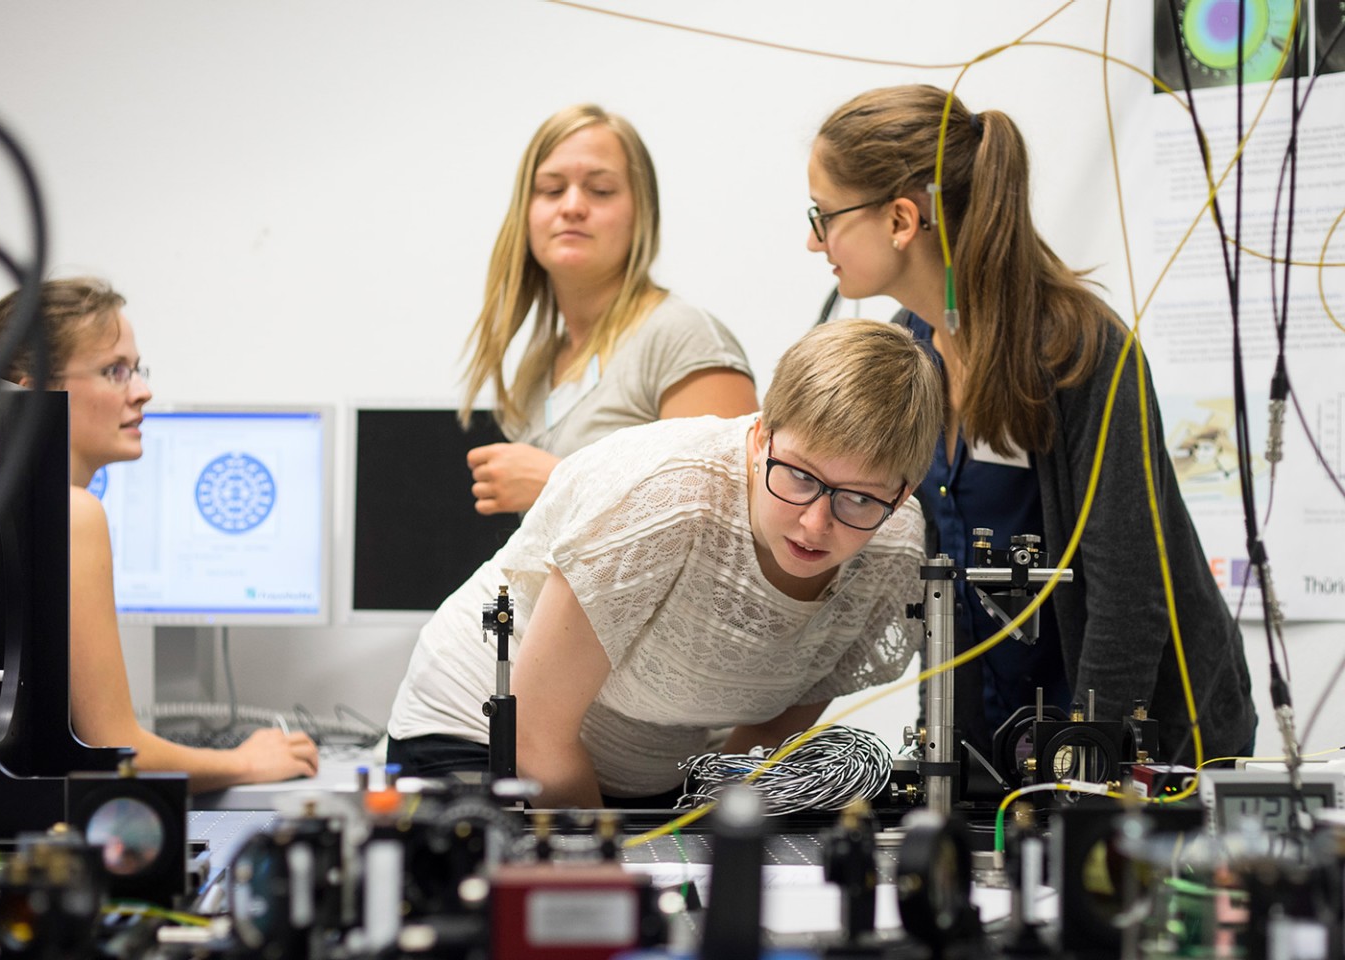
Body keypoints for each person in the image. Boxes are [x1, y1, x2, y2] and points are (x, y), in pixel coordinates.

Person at [806, 84, 1255, 763]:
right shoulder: (907, 352)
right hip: (996, 753)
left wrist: (1088, 762)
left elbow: (1128, 589)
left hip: (1141, 751)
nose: (814, 242)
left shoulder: (1080, 351)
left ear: (901, 220)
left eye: (823, 215)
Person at [387, 320, 943, 808]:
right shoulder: (665, 498)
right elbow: (536, 732)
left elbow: (772, 730)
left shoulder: (892, 551)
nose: (815, 524)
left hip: (648, 769)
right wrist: (620, 869)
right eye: (799, 476)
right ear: (759, 438)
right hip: (483, 734)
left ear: (903, 493)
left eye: (860, 499)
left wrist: (706, 835)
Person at [0, 278, 319, 792]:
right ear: (34, 394)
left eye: (137, 369)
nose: (142, 390)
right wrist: (247, 762)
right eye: (114, 371)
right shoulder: (73, 514)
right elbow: (117, 751)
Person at [460, 104, 758, 515]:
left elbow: (729, 520)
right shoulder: (540, 362)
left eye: (600, 190)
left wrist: (560, 482)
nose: (572, 206)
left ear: (642, 213)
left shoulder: (681, 335)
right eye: (550, 189)